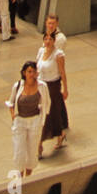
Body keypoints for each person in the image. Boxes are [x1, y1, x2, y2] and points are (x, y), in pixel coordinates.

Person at [6, 61, 50, 178]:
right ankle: (19, 177)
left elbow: (46, 103)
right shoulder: (18, 86)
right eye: (29, 72)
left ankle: (28, 178)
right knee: (19, 150)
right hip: (20, 121)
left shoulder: (42, 86)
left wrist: (42, 119)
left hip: (34, 120)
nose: (31, 74)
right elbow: (11, 103)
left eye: (34, 72)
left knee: (32, 151)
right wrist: (14, 116)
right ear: (24, 73)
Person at [36, 29, 68, 157]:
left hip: (52, 87)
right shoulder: (40, 51)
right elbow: (37, 68)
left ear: (54, 41)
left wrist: (65, 89)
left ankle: (39, 144)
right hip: (40, 85)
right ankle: (60, 134)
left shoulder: (58, 55)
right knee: (42, 114)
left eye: (50, 39)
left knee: (49, 114)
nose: (48, 41)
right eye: (46, 39)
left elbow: (62, 72)